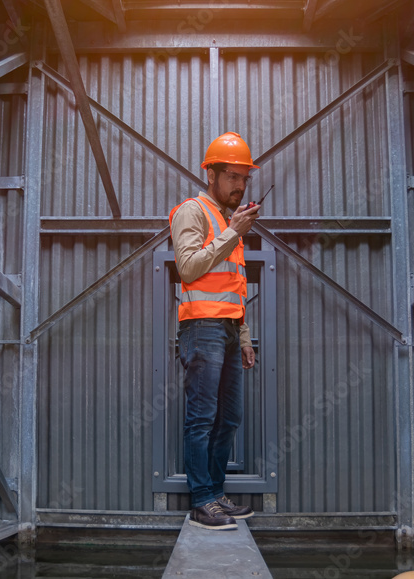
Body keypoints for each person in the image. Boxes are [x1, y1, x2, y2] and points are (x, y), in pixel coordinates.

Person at [168, 132, 261, 530]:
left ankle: (216, 492)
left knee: (230, 418)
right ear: (211, 174)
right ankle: (202, 500)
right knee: (202, 417)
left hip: (226, 329)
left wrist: (243, 338)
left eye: (245, 178)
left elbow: (234, 286)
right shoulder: (193, 211)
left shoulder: (228, 222)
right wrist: (233, 232)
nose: (240, 185)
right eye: (233, 177)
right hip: (201, 328)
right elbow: (188, 269)